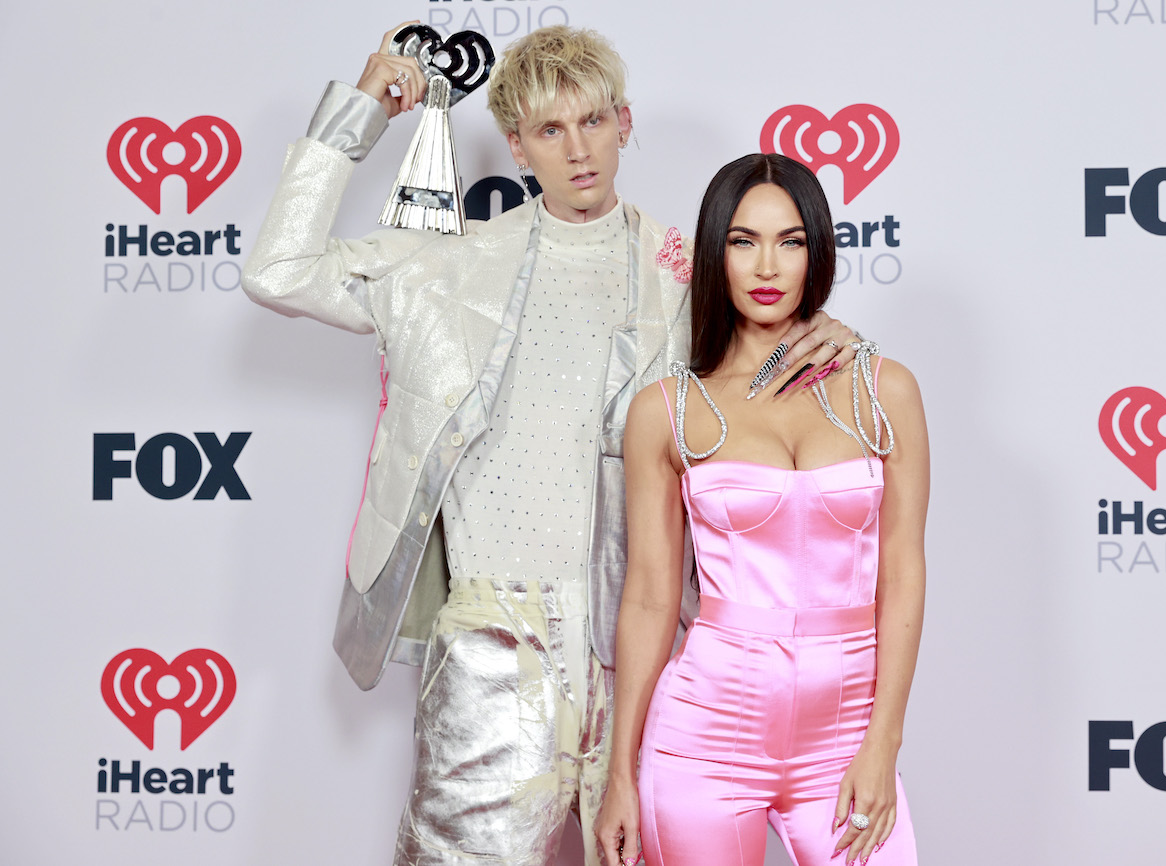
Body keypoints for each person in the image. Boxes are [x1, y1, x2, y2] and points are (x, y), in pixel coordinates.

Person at [242, 24, 863, 866]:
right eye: (550, 129)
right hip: (492, 644)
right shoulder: (443, 267)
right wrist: (359, 114)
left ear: (625, 122)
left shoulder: (691, 280)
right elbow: (278, 270)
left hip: (652, 651)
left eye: (594, 121)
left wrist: (830, 336)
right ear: (516, 145)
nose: (578, 150)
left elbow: (777, 368)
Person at [595, 153, 928, 866]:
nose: (767, 266)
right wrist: (620, 774)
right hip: (702, 739)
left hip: (846, 738)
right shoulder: (666, 411)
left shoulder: (885, 391)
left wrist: (884, 742)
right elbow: (650, 598)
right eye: (743, 241)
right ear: (715, 254)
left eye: (790, 241)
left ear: (817, 250)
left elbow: (902, 576)